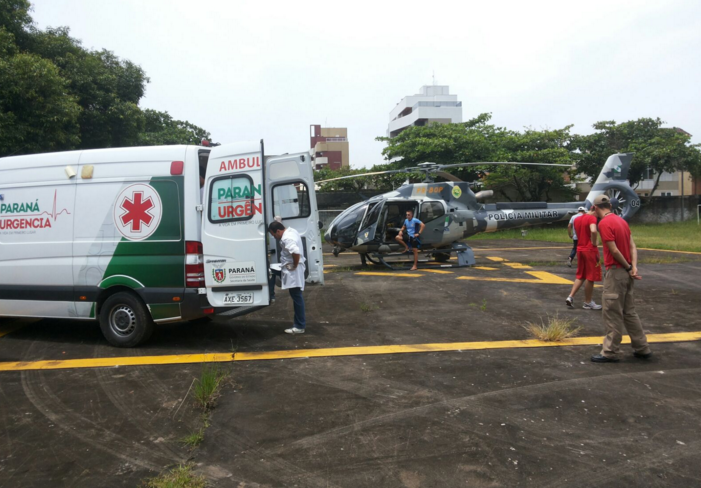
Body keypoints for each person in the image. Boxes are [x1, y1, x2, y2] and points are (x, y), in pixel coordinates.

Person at [590, 194, 652, 363]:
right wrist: (633, 266)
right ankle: (642, 348)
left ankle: (610, 352)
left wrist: (627, 267)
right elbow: (632, 246)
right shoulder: (622, 221)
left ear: (595, 208)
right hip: (627, 272)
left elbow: (614, 250)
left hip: (617, 272)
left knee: (612, 312)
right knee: (629, 312)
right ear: (610, 206)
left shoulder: (604, 223)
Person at [268, 221, 307, 334]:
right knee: (272, 270)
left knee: (296, 296)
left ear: (279, 231)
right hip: (288, 267)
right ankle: (271, 296)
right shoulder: (290, 231)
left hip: (293, 270)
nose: (273, 237)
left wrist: (295, 264)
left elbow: (295, 251)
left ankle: (299, 326)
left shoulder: (287, 238)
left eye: (273, 234)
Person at [565, 207, 602, 310]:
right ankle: (588, 302)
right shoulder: (592, 218)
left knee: (581, 275)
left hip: (580, 249)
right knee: (591, 277)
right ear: (595, 209)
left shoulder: (577, 219)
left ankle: (570, 296)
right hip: (590, 250)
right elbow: (593, 231)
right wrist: (594, 242)